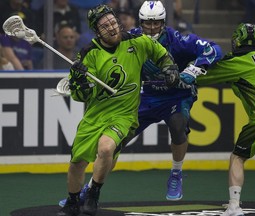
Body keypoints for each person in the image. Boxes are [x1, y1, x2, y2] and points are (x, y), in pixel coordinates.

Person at [58, 1, 222, 206]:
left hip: (176, 95)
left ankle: (176, 173)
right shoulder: (132, 37)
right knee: (115, 145)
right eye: (147, 23)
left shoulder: (177, 38)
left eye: (157, 23)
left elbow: (214, 49)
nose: (152, 28)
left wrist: (192, 71)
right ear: (140, 22)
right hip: (146, 97)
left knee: (179, 127)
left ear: (164, 21)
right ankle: (90, 188)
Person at [57, 4, 180, 216]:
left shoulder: (138, 42)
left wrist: (170, 67)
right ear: (97, 31)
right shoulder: (89, 54)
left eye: (113, 22)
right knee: (77, 162)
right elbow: (82, 96)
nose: (112, 28)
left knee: (106, 149)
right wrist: (80, 80)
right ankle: (73, 201)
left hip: (123, 114)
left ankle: (94, 193)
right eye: (105, 26)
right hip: (95, 115)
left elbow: (160, 53)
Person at [195, 23, 255, 216]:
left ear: (236, 41)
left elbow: (202, 78)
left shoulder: (238, 61)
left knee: (238, 157)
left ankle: (234, 207)